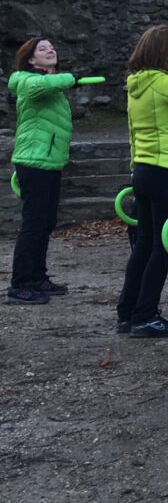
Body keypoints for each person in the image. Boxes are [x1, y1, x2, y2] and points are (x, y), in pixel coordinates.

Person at [115, 25, 168, 337]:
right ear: (162, 52)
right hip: (164, 171)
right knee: (163, 247)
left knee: (144, 245)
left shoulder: (136, 85)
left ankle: (128, 312)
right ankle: (145, 315)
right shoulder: (164, 84)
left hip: (143, 169)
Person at [7, 39, 81, 305]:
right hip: (33, 162)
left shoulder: (52, 82)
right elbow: (38, 86)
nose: (51, 51)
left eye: (52, 48)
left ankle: (37, 277)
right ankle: (19, 284)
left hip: (50, 162)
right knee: (33, 224)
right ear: (30, 59)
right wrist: (70, 78)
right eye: (42, 49)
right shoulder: (24, 80)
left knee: (45, 223)